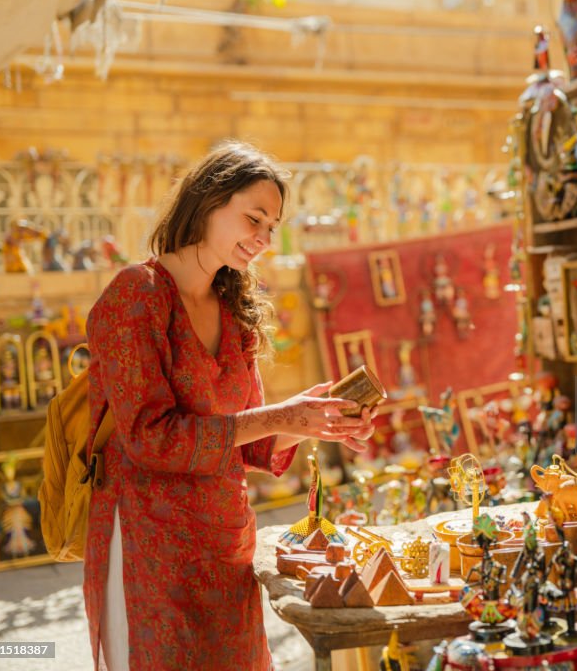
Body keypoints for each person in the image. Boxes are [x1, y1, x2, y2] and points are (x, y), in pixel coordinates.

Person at [83, 141, 375, 670]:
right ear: (208, 200)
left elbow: (254, 441)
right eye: (253, 218)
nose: (263, 238)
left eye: (273, 226)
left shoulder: (232, 306)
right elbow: (153, 437)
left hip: (225, 543)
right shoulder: (136, 295)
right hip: (151, 550)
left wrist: (316, 419)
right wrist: (284, 416)